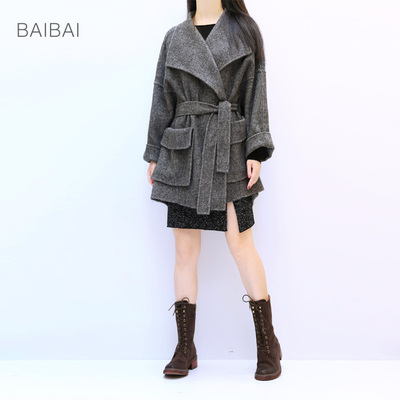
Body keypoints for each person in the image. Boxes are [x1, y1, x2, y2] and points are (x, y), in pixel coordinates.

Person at [143, 0, 282, 381]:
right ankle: (184, 347)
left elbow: (256, 92)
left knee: (241, 245)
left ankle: (267, 344)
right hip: (183, 153)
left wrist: (255, 149)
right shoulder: (175, 37)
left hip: (229, 148)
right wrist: (155, 152)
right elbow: (161, 95)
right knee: (185, 252)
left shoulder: (245, 31)